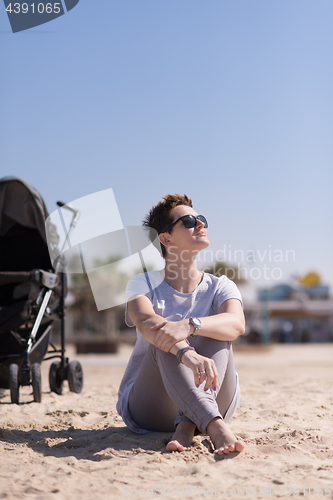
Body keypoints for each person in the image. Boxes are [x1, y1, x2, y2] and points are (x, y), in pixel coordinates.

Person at [116, 194, 245, 455]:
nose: (200, 224)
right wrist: (185, 352)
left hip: (216, 394)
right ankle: (215, 427)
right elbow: (145, 321)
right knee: (160, 337)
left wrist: (190, 325)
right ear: (165, 239)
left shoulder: (222, 285)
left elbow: (236, 323)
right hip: (151, 406)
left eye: (201, 219)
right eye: (188, 221)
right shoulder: (142, 283)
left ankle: (187, 425)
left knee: (217, 329)